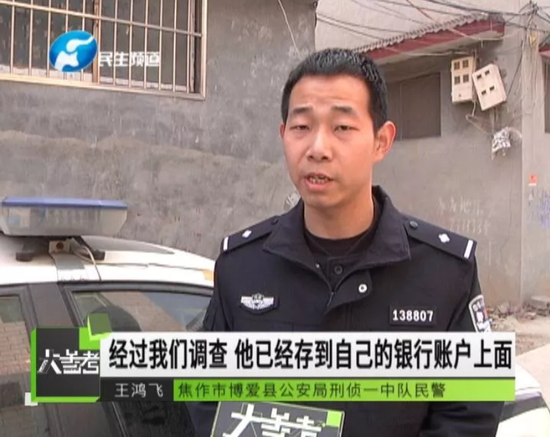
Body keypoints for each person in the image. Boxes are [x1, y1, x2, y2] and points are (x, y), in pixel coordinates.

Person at [188, 48, 504, 437]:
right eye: (301, 127)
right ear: (283, 135)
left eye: (341, 127)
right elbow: (208, 395)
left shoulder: (445, 272)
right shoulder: (242, 267)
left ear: (381, 141)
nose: (318, 148)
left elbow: (471, 413)